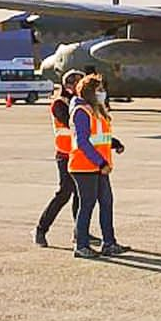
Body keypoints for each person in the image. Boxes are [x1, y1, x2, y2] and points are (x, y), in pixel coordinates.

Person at [68, 73, 130, 259]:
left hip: (99, 167)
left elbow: (101, 136)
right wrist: (100, 162)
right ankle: (81, 245)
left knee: (106, 202)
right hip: (84, 167)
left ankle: (109, 242)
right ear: (89, 92)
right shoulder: (81, 112)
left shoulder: (97, 110)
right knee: (87, 205)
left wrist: (114, 143)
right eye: (99, 90)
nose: (102, 93)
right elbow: (83, 142)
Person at [33, 69, 86, 247]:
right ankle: (41, 229)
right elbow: (71, 124)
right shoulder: (60, 103)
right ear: (69, 86)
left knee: (81, 194)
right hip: (65, 154)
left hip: (79, 153)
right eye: (79, 84)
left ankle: (80, 232)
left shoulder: (78, 102)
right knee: (65, 193)